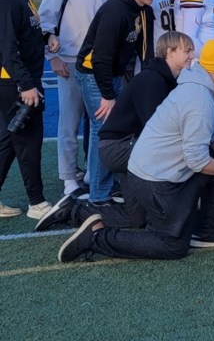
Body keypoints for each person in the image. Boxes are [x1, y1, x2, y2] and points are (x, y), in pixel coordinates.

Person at [57, 39, 214, 262]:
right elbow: (197, 161)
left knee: (138, 219)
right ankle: (94, 238)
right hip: (154, 178)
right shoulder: (199, 100)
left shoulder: (201, 85)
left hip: (154, 170)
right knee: (172, 246)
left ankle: (206, 229)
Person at [36, 32, 196, 232]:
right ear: (170, 53)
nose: (192, 55)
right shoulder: (152, 80)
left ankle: (73, 210)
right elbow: (157, 132)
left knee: (137, 219)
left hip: (126, 146)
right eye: (187, 51)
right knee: (175, 152)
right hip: (118, 148)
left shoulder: (164, 78)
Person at [75, 0, 157, 207]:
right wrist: (107, 95)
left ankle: (108, 183)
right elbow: (100, 58)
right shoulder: (115, 10)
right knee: (105, 129)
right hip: (94, 73)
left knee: (119, 128)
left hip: (114, 73)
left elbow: (146, 51)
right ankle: (98, 195)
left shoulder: (144, 10)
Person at [38, 0, 110, 196]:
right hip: (69, 61)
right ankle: (69, 178)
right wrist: (52, 55)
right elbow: (46, 21)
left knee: (98, 122)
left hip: (97, 64)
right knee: (69, 122)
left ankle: (93, 173)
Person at [0, 0, 52, 219]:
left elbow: (26, 34)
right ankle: (37, 203)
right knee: (29, 141)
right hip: (16, 83)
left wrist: (46, 38)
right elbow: (7, 49)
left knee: (9, 140)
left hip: (17, 80)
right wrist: (26, 84)